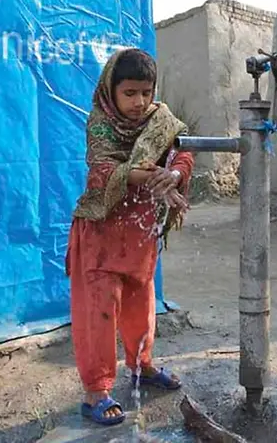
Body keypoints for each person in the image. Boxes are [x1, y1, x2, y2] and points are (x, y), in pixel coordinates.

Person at [66, 48, 194, 426]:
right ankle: (96, 391)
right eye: (130, 93)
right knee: (99, 316)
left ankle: (142, 367)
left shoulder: (161, 121)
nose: (140, 102)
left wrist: (173, 176)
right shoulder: (101, 123)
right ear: (112, 91)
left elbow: (183, 154)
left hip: (139, 235)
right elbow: (102, 172)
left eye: (146, 92)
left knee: (141, 306)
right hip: (101, 238)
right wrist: (149, 175)